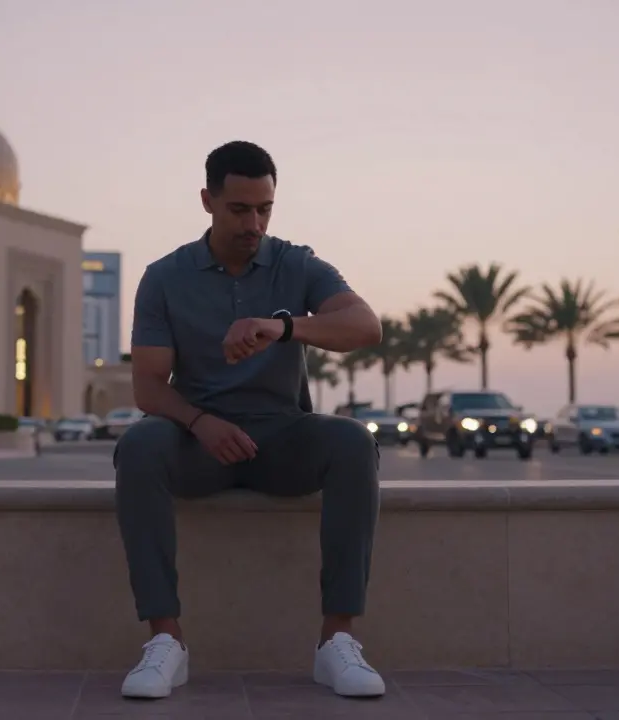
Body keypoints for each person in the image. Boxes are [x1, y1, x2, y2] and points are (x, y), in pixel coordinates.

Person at [114, 140, 385, 700]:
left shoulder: (296, 262)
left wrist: (282, 326)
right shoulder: (164, 278)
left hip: (281, 440)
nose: (253, 223)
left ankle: (336, 643)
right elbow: (147, 388)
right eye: (240, 209)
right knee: (139, 448)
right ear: (208, 201)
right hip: (199, 444)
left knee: (354, 443)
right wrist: (199, 422)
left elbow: (365, 327)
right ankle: (166, 642)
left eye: (264, 209)